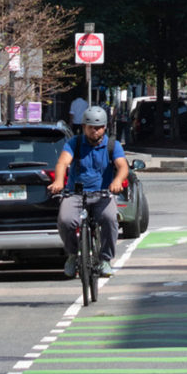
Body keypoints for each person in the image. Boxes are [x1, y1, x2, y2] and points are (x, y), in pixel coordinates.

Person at [48, 105, 127, 278]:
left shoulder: (112, 145)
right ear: (84, 127)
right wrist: (59, 181)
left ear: (105, 127)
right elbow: (62, 163)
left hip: (102, 194)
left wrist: (117, 181)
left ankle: (105, 259)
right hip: (76, 194)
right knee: (65, 220)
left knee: (110, 219)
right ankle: (72, 256)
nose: (95, 131)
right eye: (91, 127)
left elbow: (122, 166)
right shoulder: (74, 143)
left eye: (99, 128)